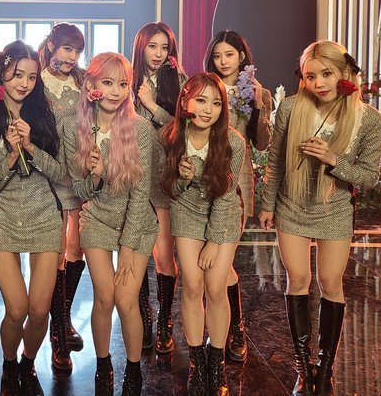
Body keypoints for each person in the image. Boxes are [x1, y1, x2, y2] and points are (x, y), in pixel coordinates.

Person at [258, 41, 381, 396]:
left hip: (335, 208)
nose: (318, 83)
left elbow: (369, 176)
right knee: (298, 279)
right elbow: (275, 161)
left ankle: (325, 368)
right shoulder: (290, 108)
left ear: (344, 73)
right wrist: (267, 205)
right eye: (311, 76)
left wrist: (333, 159)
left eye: (326, 74)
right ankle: (303, 367)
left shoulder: (368, 119)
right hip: (292, 205)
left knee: (331, 282)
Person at [64, 52, 159, 396]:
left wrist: (129, 247)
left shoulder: (141, 129)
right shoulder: (76, 129)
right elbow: (78, 191)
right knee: (104, 298)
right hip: (98, 218)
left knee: (126, 299)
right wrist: (96, 177)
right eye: (107, 83)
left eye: (122, 84)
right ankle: (103, 366)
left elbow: (141, 194)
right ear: (91, 85)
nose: (116, 92)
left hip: (137, 223)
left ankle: (133, 371)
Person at [0, 41, 65, 395]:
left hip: (44, 214)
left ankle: (28, 364)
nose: (24, 83)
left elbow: (59, 172)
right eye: (17, 75)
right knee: (16, 309)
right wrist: (12, 157)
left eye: (31, 77)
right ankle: (9, 365)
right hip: (3, 216)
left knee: (40, 310)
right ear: (2, 71)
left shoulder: (44, 113)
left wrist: (30, 147)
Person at [160, 73, 246, 396]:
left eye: (216, 103)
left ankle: (217, 360)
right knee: (193, 284)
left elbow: (225, 196)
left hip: (222, 216)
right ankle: (197, 361)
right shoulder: (171, 137)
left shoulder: (233, 142)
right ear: (185, 101)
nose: (208, 110)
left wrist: (213, 241)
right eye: (201, 100)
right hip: (186, 212)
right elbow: (167, 189)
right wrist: (183, 178)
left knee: (216, 286)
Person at [204, 30, 273, 363]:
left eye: (229, 55)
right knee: (212, 264)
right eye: (217, 56)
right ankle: (227, 328)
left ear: (242, 57)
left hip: (237, 184)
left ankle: (233, 330)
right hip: (204, 182)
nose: (222, 61)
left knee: (223, 260)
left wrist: (258, 105)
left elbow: (262, 143)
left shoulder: (259, 93)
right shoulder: (205, 88)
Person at [131, 22, 186, 353]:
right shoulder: (125, 80)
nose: (158, 53)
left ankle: (165, 320)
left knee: (164, 256)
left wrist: (151, 105)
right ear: (141, 47)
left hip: (162, 178)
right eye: (152, 46)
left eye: (165, 47)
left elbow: (183, 128)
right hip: (132, 177)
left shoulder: (178, 82)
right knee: (135, 254)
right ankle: (143, 316)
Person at [38, 22, 87, 372]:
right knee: (55, 254)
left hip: (79, 171)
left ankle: (64, 317)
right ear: (52, 46)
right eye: (67, 48)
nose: (72, 57)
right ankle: (58, 335)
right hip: (49, 174)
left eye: (77, 51)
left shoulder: (84, 82)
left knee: (76, 248)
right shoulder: (36, 82)